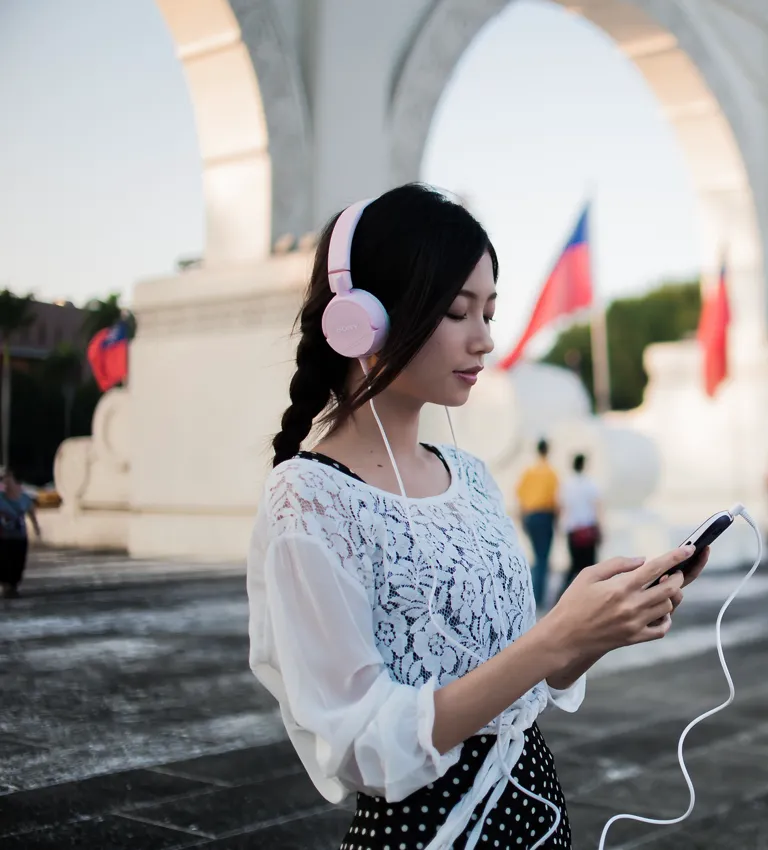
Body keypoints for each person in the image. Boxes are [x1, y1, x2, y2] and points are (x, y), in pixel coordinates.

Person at [245, 184, 709, 850]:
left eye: (490, 311)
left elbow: (523, 678)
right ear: (363, 319)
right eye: (458, 311)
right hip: (428, 829)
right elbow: (362, 747)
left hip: (534, 806)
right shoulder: (311, 500)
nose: (486, 340)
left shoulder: (471, 477)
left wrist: (595, 630)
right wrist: (551, 641)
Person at [516, 438, 559, 608]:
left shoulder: (529, 471)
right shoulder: (550, 472)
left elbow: (520, 495)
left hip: (530, 516)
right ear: (547, 450)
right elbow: (555, 499)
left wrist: (522, 518)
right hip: (545, 516)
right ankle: (538, 597)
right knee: (543, 557)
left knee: (535, 556)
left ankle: (533, 594)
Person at [559, 453, 602, 595]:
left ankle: (563, 594)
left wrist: (561, 527)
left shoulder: (566, 484)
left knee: (574, 565)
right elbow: (596, 507)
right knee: (590, 567)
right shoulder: (590, 484)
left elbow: (562, 507)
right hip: (588, 530)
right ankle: (593, 595)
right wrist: (600, 530)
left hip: (572, 530)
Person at [0, 470, 40, 598]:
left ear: (15, 481)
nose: (5, 482)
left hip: (20, 536)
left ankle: (13, 585)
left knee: (18, 562)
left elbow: (31, 513)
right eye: (4, 480)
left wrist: (36, 527)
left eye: (7, 479)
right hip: (3, 537)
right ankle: (6, 585)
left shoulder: (24, 498)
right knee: (4, 562)